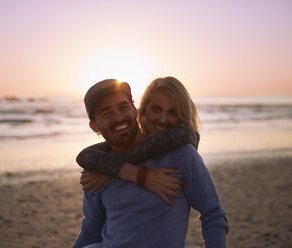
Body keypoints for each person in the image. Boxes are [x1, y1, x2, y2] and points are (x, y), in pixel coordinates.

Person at [73, 78, 228, 248]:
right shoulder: (97, 170)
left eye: (123, 107)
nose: (118, 117)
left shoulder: (181, 155)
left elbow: (212, 213)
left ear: (134, 109)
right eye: (106, 113)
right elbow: (91, 230)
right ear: (94, 126)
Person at [77, 77, 201, 205]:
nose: (163, 120)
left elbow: (212, 212)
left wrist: (114, 171)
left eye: (172, 112)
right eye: (156, 109)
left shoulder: (183, 146)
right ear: (143, 110)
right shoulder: (101, 165)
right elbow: (84, 155)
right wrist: (136, 174)